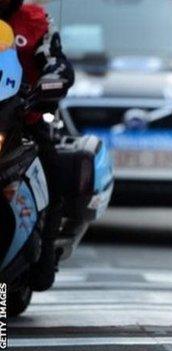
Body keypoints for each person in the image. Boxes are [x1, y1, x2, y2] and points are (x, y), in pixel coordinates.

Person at [1, 0, 74, 291]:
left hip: (21, 118)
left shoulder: (35, 19)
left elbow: (56, 60)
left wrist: (53, 77)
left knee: (53, 172)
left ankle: (43, 257)